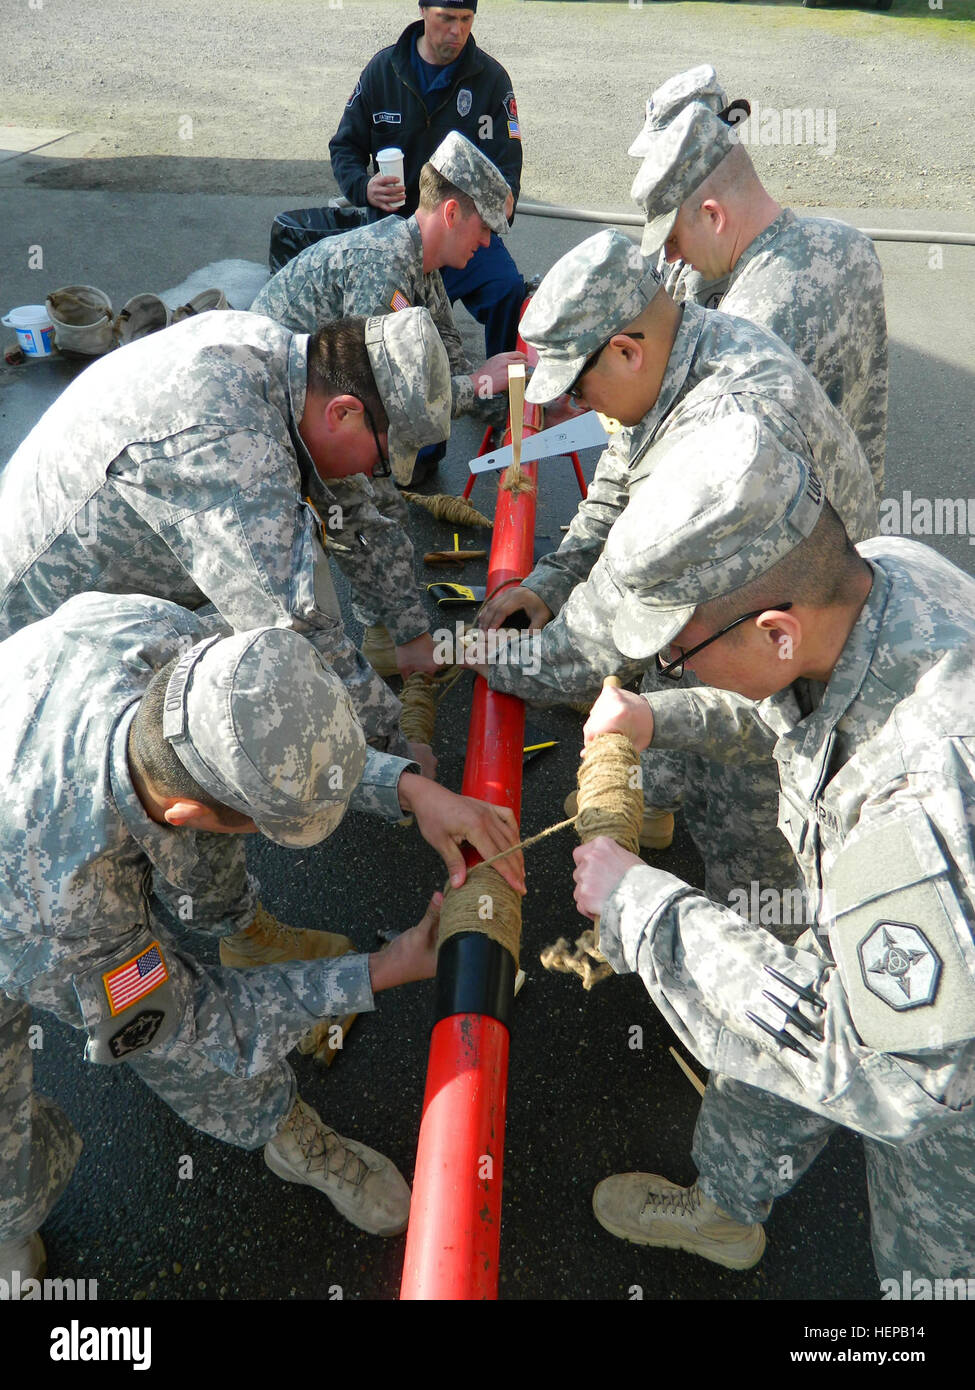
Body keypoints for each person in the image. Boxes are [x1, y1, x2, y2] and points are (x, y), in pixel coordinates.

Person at [0, 593, 521, 1290]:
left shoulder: (166, 641)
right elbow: (195, 1021)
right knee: (135, 1059)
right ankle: (13, 1218)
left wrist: (406, 789)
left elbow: (271, 734)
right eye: (263, 824)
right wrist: (382, 968)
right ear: (181, 813)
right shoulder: (61, 909)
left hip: (45, 767)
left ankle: (275, 1118)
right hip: (19, 906)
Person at [571, 446, 975, 1287]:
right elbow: (795, 713)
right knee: (762, 1029)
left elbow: (877, 1071)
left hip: (943, 1082)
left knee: (930, 1260)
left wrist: (642, 905)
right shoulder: (879, 580)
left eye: (677, 656)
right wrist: (658, 715)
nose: (674, 667)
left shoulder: (922, 801)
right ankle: (726, 1208)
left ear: (774, 630)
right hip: (866, 941)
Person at [471, 230, 877, 924]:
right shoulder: (684, 356)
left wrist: (484, 659)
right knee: (669, 659)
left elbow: (593, 645)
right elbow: (617, 485)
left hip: (784, 664)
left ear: (625, 350)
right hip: (733, 622)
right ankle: (656, 797)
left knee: (748, 848)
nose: (571, 408)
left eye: (575, 387)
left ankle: (757, 976)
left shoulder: (728, 424)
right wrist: (549, 580)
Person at [0, 307, 450, 750]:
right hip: (32, 628)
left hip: (89, 572)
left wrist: (410, 634)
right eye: (383, 461)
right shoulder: (234, 445)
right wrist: (398, 756)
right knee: (185, 741)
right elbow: (288, 632)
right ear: (344, 412)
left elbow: (351, 513)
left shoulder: (281, 360)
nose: (373, 474)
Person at [253, 130, 525, 671]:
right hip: (280, 409)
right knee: (371, 514)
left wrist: (515, 393)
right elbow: (394, 400)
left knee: (380, 510)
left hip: (326, 395)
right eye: (485, 228)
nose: (489, 245)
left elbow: (448, 361)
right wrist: (485, 386)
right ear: (452, 212)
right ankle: (385, 650)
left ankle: (389, 636)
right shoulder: (382, 269)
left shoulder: (416, 262)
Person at [629, 67, 888, 495]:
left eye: (673, 238)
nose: (671, 256)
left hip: (793, 537)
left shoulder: (747, 329)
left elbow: (703, 470)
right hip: (856, 524)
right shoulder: (849, 243)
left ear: (713, 215)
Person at [328, 1, 526, 363]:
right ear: (423, 12)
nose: (457, 31)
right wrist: (363, 187)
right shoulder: (383, 71)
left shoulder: (491, 80)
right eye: (446, 18)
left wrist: (504, 200)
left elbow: (508, 164)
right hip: (396, 232)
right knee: (396, 331)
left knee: (507, 288)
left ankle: (503, 395)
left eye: (466, 19)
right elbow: (344, 146)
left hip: (464, 229)